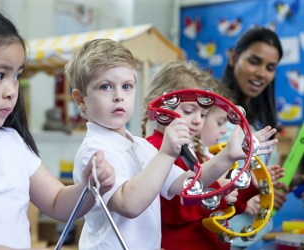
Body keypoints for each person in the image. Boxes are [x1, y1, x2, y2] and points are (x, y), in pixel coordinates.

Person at [65, 37, 278, 250]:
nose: (119, 96)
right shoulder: (94, 151)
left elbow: (189, 183)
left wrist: (228, 156)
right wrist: (166, 154)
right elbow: (128, 204)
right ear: (80, 99)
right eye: (105, 87)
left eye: (127, 86)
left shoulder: (140, 146)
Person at [0, 4, 114, 250]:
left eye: (16, 76)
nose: (11, 91)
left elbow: (58, 201)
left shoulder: (12, 142)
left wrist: (90, 188)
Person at [142, 61, 282, 250]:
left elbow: (222, 209)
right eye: (189, 111)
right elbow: (173, 209)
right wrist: (220, 192)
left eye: (203, 114)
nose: (197, 121)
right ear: (161, 105)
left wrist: (251, 186)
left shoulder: (194, 152)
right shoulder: (155, 149)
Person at [220, 26, 289, 248]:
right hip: (224, 236)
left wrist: (273, 188)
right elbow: (198, 173)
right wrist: (246, 196)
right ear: (233, 57)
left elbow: (261, 173)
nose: (261, 73)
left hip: (257, 237)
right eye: (254, 61)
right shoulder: (213, 115)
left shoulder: (262, 122)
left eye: (270, 67)